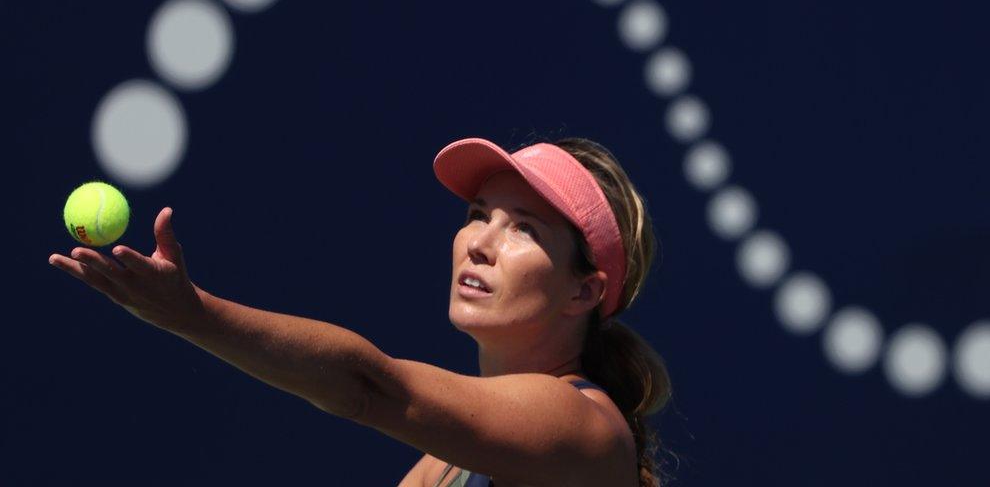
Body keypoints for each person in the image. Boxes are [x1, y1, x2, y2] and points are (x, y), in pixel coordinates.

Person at [48, 136, 674, 486]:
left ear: (582, 293)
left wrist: (193, 314)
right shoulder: (441, 469)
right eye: (479, 216)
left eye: (524, 230)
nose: (479, 242)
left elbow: (368, 386)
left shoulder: (583, 426)